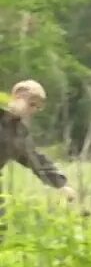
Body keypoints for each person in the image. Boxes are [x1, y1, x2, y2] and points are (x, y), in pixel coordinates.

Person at [2, 80, 78, 220]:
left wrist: (60, 184)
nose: (33, 110)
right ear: (17, 96)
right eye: (31, 104)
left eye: (37, 107)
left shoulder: (17, 132)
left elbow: (35, 159)